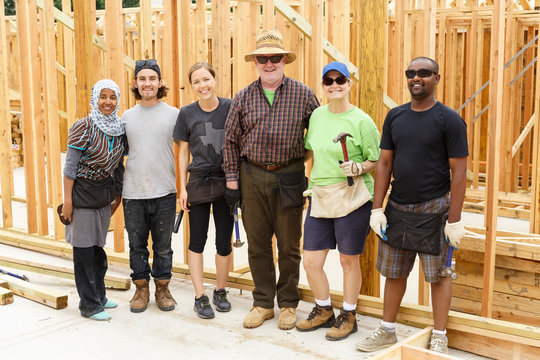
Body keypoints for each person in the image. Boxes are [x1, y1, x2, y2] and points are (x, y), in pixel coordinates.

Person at [355, 57, 468, 354]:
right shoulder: (395, 116)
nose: (416, 78)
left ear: (436, 78)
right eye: (411, 73)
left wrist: (454, 219)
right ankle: (387, 330)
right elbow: (385, 163)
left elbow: (459, 172)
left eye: (424, 73)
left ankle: (439, 335)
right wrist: (377, 208)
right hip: (399, 209)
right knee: (394, 273)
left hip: (435, 210)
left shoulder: (450, 120)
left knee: (439, 276)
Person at [223, 29, 319, 330]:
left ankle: (288, 303)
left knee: (290, 245)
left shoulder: (303, 95)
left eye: (274, 58)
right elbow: (230, 141)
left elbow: (319, 132)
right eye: (263, 59)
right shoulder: (244, 96)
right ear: (255, 62)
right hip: (252, 176)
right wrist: (232, 184)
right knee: (258, 244)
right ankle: (263, 302)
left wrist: (302, 161)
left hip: (290, 177)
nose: (269, 64)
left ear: (283, 61)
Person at [296, 62, 380, 341]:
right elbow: (309, 152)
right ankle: (323, 310)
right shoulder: (317, 116)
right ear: (323, 85)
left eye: (340, 79)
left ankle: (349, 314)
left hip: (352, 197)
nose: (335, 85)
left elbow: (377, 160)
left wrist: (359, 168)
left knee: (348, 260)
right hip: (320, 195)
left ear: (349, 83)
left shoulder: (362, 121)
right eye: (329, 81)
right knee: (311, 261)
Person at [62, 79, 127, 321]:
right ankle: (88, 305)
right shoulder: (83, 127)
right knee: (84, 252)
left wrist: (118, 195)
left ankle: (99, 295)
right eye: (103, 96)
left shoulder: (119, 128)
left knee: (98, 250)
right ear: (94, 99)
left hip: (103, 195)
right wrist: (67, 202)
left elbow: (119, 165)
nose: (107, 102)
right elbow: (70, 168)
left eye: (112, 97)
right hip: (82, 196)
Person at [174, 62, 234, 319]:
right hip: (197, 181)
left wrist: (236, 182)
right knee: (197, 240)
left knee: (224, 240)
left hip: (225, 180)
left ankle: (220, 290)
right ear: (192, 86)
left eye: (206, 79)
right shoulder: (186, 113)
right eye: (196, 82)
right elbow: (183, 152)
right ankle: (200, 295)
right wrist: (182, 189)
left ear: (215, 79)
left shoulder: (230, 108)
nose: (202, 85)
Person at [122, 59, 180, 313]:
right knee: (137, 245)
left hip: (165, 192)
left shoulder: (174, 114)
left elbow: (188, 152)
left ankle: (163, 288)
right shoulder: (126, 117)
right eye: (142, 79)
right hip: (133, 193)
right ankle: (141, 288)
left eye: (152, 79)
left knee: (163, 246)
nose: (147, 83)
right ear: (135, 83)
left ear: (160, 82)